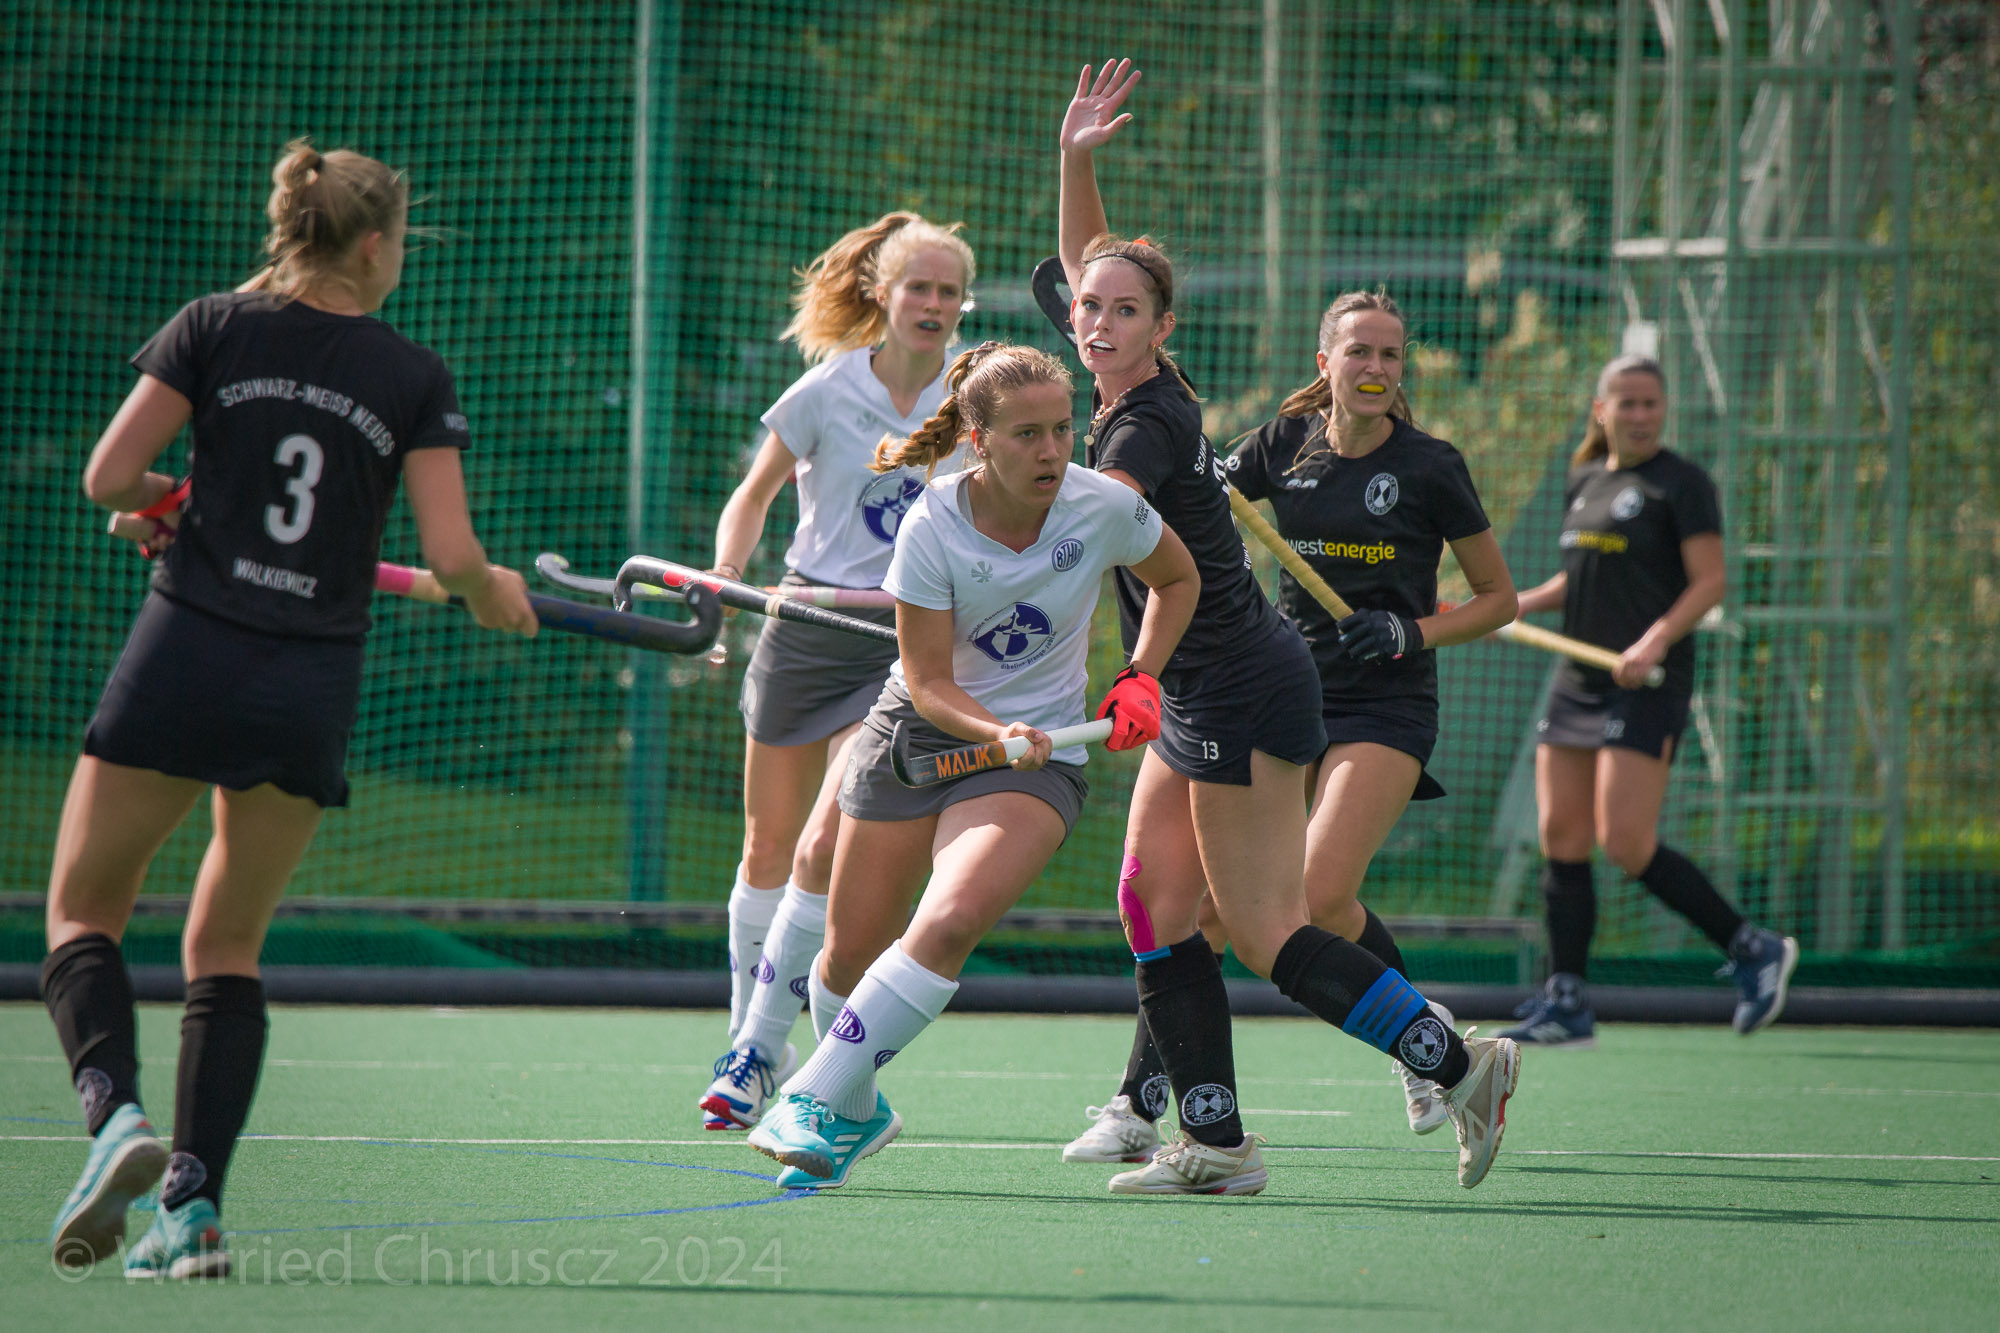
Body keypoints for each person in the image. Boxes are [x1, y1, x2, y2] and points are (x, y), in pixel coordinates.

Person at [40, 139, 538, 1280]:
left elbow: (109, 477)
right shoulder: (412, 373)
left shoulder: (211, 326)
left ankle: (114, 1113)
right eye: (402, 243)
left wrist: (169, 500)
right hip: (306, 682)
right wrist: (492, 595)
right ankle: (194, 1211)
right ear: (374, 246)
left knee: (82, 911)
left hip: (184, 651)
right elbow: (453, 555)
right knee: (228, 945)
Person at [1050, 61, 1520, 1194]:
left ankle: (1461, 1065)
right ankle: (1212, 1141)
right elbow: (1086, 262)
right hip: (1200, 684)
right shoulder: (1123, 380)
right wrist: (1074, 162)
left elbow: (1097, 517)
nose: (1099, 320)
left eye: (1124, 311)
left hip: (1240, 684)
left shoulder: (1138, 428)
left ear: (1162, 329)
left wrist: (980, 560)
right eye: (1088, 308)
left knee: (1268, 928)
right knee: (1153, 903)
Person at [744, 341, 1199, 1190]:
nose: (1052, 451)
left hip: (1036, 760)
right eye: (1027, 434)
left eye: (1062, 428)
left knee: (950, 916)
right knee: (843, 962)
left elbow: (1178, 578)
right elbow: (927, 681)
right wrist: (996, 726)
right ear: (977, 440)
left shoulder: (1102, 504)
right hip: (917, 735)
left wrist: (1141, 673)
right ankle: (858, 1107)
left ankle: (810, 1095)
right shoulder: (931, 524)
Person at [698, 213, 975, 1131]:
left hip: (902, 639)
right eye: (918, 287)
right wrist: (725, 580)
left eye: (948, 291)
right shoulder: (827, 388)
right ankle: (748, 1042)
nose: (933, 304)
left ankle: (754, 1052)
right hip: (805, 627)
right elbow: (753, 495)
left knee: (822, 842)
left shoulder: (970, 397)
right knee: (766, 849)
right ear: (882, 294)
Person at [1501, 353, 1797, 1046]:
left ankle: (1752, 946)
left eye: (1650, 403)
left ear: (1663, 410)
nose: (1639, 416)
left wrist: (1654, 642)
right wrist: (1510, 605)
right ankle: (1567, 1000)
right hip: (1578, 678)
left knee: (1625, 841)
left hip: (1645, 684)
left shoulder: (1682, 484)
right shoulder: (1584, 479)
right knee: (1560, 834)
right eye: (1626, 403)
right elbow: (1580, 578)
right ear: (1600, 410)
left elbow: (1710, 581)